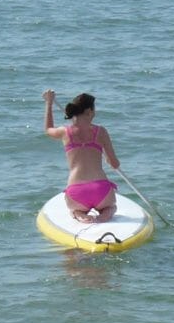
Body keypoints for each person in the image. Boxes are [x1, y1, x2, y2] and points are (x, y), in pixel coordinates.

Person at [44, 90, 122, 223]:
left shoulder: (64, 132)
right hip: (101, 191)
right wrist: (108, 159)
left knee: (74, 209)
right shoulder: (101, 131)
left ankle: (79, 214)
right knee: (111, 207)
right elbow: (114, 164)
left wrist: (49, 102)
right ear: (89, 111)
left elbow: (48, 129)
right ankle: (105, 214)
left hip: (76, 192)